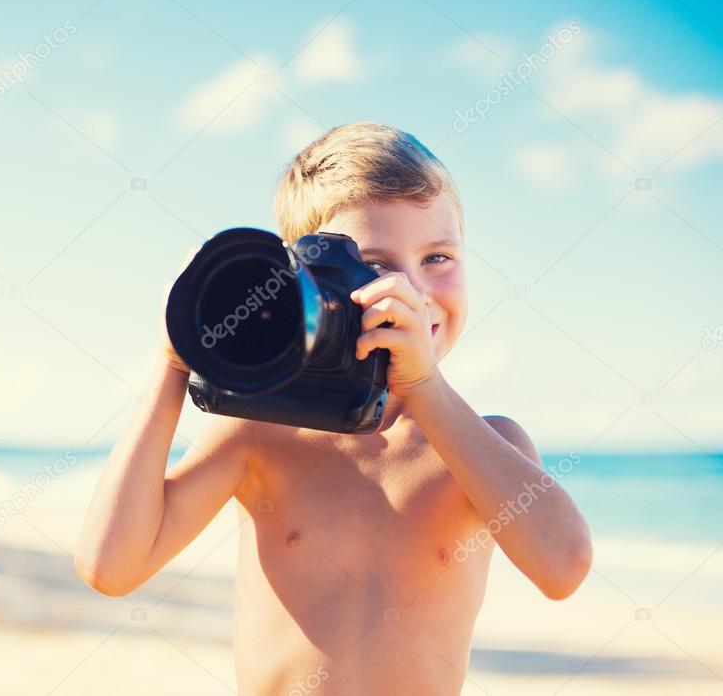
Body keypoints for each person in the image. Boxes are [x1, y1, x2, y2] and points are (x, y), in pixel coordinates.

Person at [75, 121, 593, 694]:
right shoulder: (259, 431)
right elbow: (110, 567)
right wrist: (174, 361)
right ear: (306, 283)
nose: (411, 290)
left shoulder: (485, 445)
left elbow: (563, 567)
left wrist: (424, 385)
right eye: (373, 264)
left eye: (438, 257)